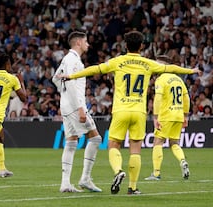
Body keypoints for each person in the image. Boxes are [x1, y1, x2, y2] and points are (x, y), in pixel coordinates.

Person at [59, 31, 201, 195]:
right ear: (141, 46)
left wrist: (71, 76)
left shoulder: (118, 61)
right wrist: (191, 71)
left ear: (125, 45)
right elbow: (171, 68)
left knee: (113, 145)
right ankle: (132, 187)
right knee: (135, 150)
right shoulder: (147, 63)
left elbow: (94, 70)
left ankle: (118, 170)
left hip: (121, 110)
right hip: (139, 112)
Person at [52, 31, 102, 193]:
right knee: (96, 138)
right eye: (86, 41)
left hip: (66, 106)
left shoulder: (67, 59)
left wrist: (63, 93)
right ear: (79, 42)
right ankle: (85, 178)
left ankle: (65, 183)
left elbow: (55, 78)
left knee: (71, 142)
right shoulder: (74, 60)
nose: (88, 44)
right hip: (75, 106)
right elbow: (72, 84)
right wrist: (81, 108)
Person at [145, 55, 190, 181]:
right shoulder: (179, 79)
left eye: (159, 64)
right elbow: (187, 98)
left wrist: (155, 116)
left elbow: (158, 98)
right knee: (174, 143)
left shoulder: (161, 79)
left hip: (166, 115)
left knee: (158, 142)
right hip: (178, 114)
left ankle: (156, 173)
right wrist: (185, 115)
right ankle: (182, 161)